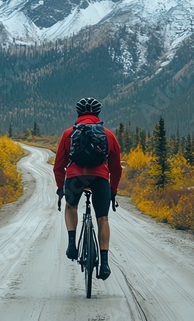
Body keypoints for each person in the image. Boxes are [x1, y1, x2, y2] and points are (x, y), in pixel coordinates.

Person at [54, 97, 122, 280]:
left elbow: (58, 165)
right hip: (100, 178)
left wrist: (61, 188)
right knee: (103, 218)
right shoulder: (108, 135)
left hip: (76, 177)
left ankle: (71, 244)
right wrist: (113, 190)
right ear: (98, 114)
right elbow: (116, 168)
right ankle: (105, 263)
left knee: (71, 206)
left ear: (78, 114)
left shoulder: (68, 133)